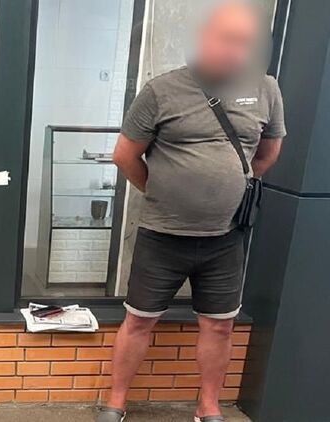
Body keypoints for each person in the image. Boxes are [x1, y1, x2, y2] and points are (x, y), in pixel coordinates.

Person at [97, 1, 286, 421]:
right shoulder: (160, 91)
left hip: (225, 239)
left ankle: (208, 407)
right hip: (162, 236)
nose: (236, 50)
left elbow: (268, 152)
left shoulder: (266, 89)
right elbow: (125, 156)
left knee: (219, 326)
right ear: (203, 39)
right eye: (227, 39)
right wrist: (163, 191)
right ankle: (115, 403)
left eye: (245, 42)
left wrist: (229, 185)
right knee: (139, 321)